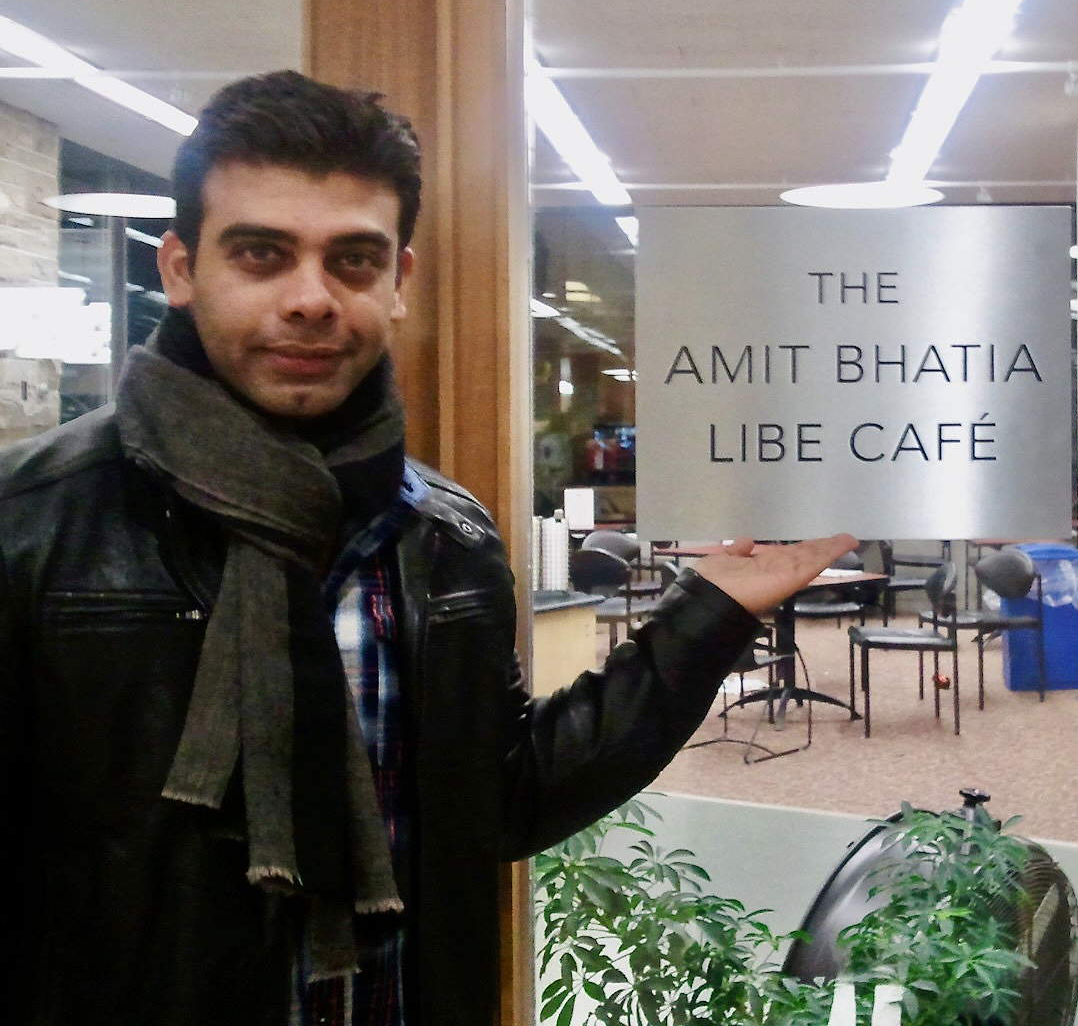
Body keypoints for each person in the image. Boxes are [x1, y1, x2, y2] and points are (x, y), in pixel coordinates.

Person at [0, 70, 855, 1026]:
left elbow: (500, 801)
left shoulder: (443, 533)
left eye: (353, 260)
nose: (311, 298)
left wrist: (710, 613)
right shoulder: (33, 522)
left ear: (398, 282)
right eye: (262, 254)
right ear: (180, 269)